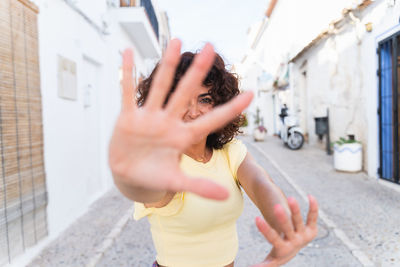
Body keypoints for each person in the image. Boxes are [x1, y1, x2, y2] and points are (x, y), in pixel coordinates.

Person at [108, 39, 318, 267]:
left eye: (205, 99)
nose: (194, 112)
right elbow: (149, 187)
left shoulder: (230, 152)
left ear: (219, 104)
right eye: (181, 102)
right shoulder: (161, 163)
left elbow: (260, 184)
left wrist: (285, 225)